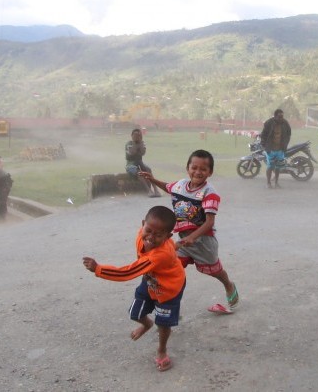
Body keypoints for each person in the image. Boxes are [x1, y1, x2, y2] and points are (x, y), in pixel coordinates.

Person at [82, 205, 186, 372]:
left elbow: (128, 272)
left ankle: (161, 350)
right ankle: (146, 324)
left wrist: (98, 269)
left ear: (167, 236)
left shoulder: (160, 255)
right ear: (143, 224)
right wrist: (174, 246)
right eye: (149, 230)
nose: (150, 237)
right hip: (150, 280)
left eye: (158, 235)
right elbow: (161, 244)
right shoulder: (141, 235)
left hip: (169, 289)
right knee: (135, 313)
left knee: (163, 323)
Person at [141, 150, 239, 315]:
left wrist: (193, 237)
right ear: (188, 168)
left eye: (203, 169)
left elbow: (209, 222)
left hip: (203, 243)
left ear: (210, 172)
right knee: (172, 269)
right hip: (183, 241)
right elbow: (167, 187)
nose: (198, 172)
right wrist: (152, 179)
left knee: (215, 271)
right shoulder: (180, 185)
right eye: (194, 167)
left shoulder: (210, 193)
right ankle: (170, 306)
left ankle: (228, 285)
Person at [260, 109, 292, 189]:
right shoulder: (268, 123)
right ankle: (268, 183)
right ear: (275, 116)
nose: (281, 118)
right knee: (270, 166)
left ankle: (276, 182)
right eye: (279, 117)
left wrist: (285, 144)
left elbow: (289, 134)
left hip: (280, 149)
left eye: (282, 116)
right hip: (270, 149)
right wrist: (264, 146)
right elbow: (263, 135)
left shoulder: (285, 123)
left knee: (278, 167)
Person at [125, 128, 160, 197]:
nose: (137, 137)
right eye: (135, 135)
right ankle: (148, 191)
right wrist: (136, 143)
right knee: (139, 173)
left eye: (139, 135)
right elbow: (132, 152)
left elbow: (143, 153)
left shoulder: (142, 143)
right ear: (131, 136)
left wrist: (140, 144)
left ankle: (156, 190)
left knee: (148, 170)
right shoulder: (129, 144)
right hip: (130, 164)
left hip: (139, 163)